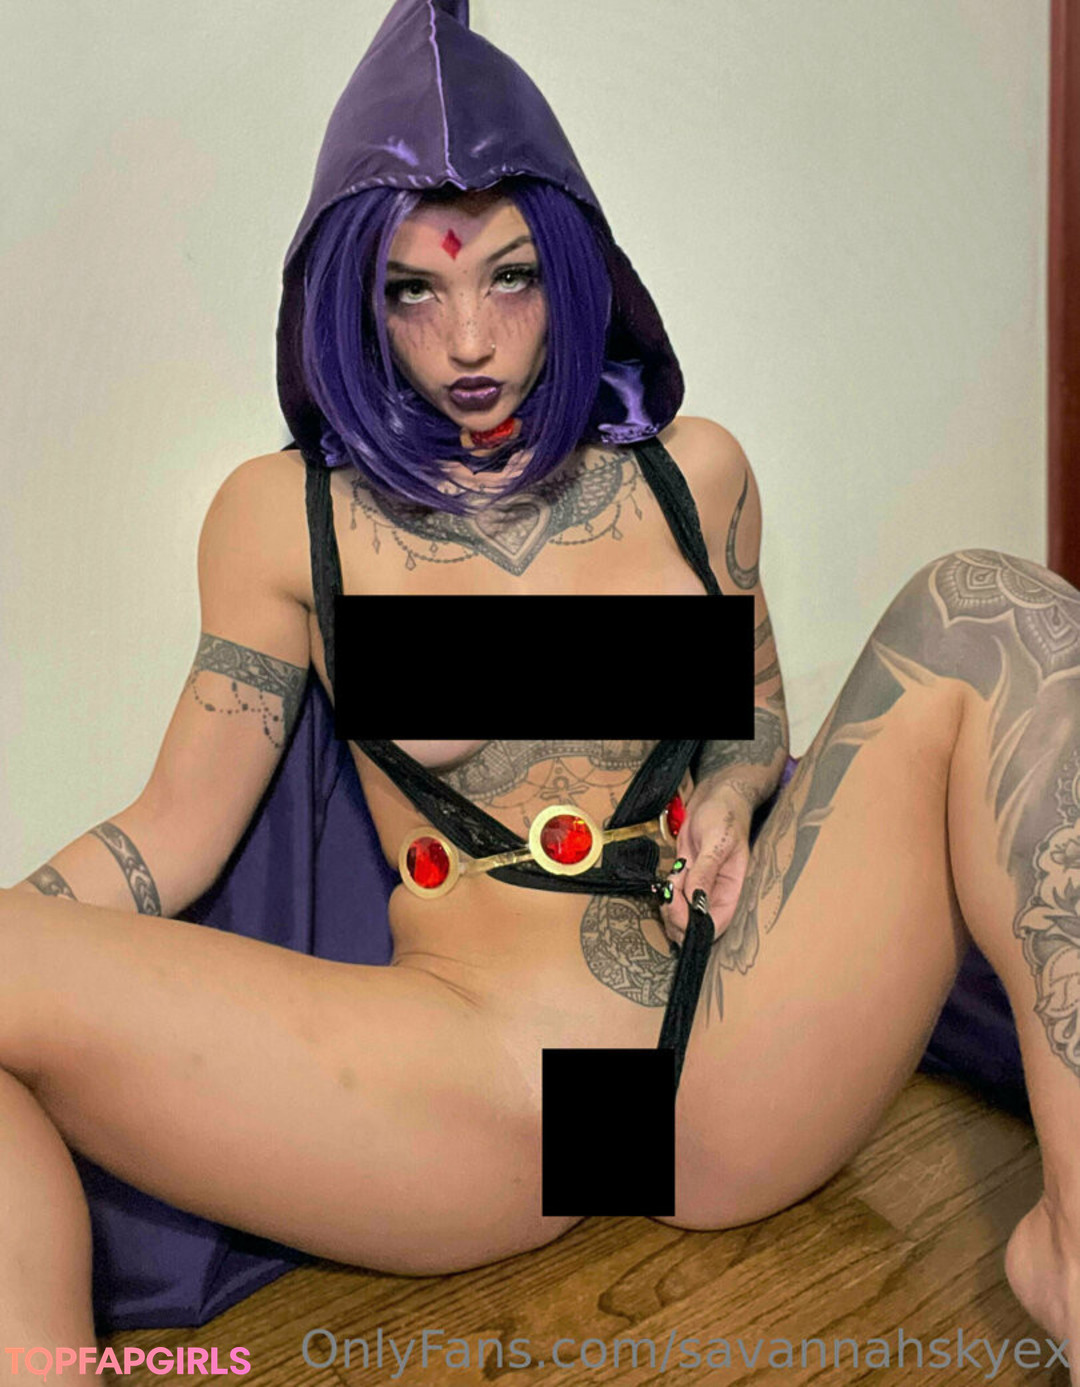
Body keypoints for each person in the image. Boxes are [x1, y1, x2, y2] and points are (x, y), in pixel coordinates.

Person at [4, 0, 1079, 1369]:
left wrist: (736, 791)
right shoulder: (284, 520)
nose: (469, 340)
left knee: (987, 604)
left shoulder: (694, 476)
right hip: (486, 1090)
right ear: (354, 299)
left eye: (509, 278)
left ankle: (1074, 1255)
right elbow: (174, 832)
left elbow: (753, 721)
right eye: (414, 291)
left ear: (571, 268)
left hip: (722, 1066)